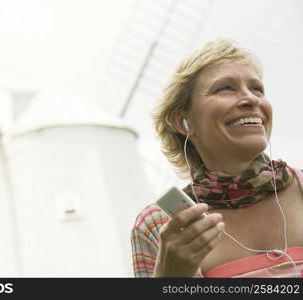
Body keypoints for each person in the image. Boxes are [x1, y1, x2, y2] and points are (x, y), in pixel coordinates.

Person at [130, 38, 303, 278]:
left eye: (257, 88)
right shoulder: (160, 225)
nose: (251, 99)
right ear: (183, 122)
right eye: (225, 88)